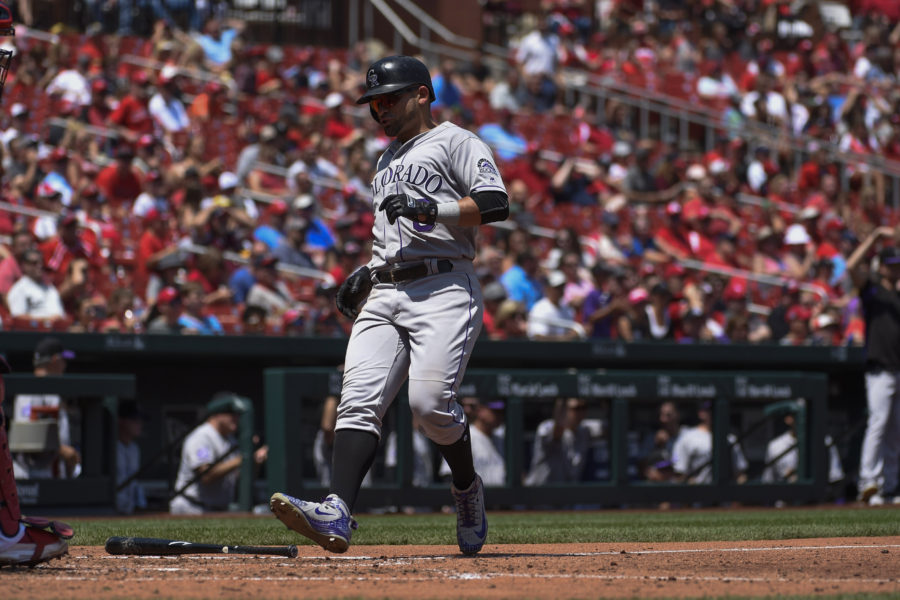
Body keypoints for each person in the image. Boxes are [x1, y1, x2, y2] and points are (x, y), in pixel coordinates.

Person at [269, 55, 509, 556]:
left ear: (421, 94)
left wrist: (433, 208)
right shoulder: (386, 160)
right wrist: (368, 271)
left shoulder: (456, 141)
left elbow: (495, 203)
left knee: (429, 407)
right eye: (374, 103)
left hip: (444, 288)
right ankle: (338, 511)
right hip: (387, 292)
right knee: (356, 400)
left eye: (389, 99)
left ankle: (466, 487)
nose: (380, 110)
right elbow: (393, 233)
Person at [0, 354, 73, 566]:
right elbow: (27, 434)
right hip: (30, 466)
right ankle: (7, 534)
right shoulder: (28, 394)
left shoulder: (56, 393)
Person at [846, 229, 900, 505]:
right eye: (891, 265)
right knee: (878, 424)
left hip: (898, 368)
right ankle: (869, 483)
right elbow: (851, 266)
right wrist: (874, 237)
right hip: (879, 368)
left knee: (895, 431)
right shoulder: (874, 289)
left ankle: (890, 486)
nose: (895, 269)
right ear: (883, 266)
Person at [170, 392, 268, 514]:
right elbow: (206, 476)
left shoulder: (230, 439)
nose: (236, 418)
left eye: (237, 414)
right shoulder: (201, 437)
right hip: (191, 507)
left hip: (215, 509)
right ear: (217, 413)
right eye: (231, 414)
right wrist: (242, 458)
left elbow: (238, 478)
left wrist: (254, 462)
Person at [11, 337, 81, 479]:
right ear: (55, 360)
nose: (65, 365)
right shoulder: (28, 391)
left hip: (55, 476)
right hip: (33, 477)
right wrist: (62, 451)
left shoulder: (54, 392)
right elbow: (26, 437)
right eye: (64, 360)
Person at [524, 397, 601, 486]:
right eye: (575, 409)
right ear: (564, 409)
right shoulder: (547, 427)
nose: (580, 413)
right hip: (539, 492)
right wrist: (562, 397)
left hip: (565, 494)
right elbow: (557, 431)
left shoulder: (584, 430)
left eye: (583, 408)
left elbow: (610, 428)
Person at [671, 401, 748, 486]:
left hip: (724, 495)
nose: (712, 413)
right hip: (696, 495)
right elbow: (678, 473)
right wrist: (687, 483)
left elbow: (740, 474)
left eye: (714, 410)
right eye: (708, 410)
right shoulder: (686, 438)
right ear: (701, 413)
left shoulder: (730, 439)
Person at [115, 400, 147, 515]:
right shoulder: (110, 448)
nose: (140, 424)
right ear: (121, 421)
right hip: (111, 509)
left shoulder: (135, 449)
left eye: (140, 420)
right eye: (135, 420)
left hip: (129, 509)